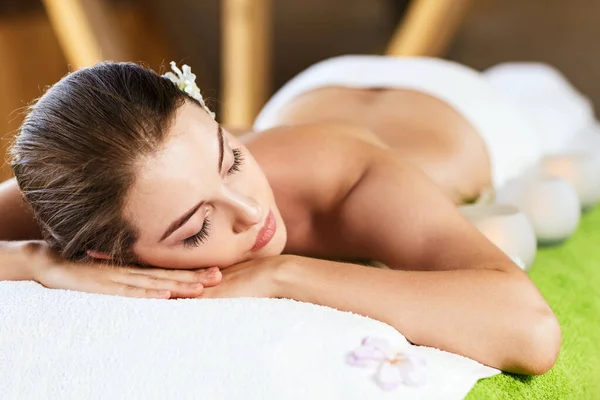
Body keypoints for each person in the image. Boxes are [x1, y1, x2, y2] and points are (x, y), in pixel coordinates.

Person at [0, 57, 570, 376]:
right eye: (197, 227)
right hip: (314, 92)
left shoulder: (349, 179)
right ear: (104, 252)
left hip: (463, 105)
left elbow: (531, 331)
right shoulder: (110, 176)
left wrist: (284, 274)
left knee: (548, 101)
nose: (251, 211)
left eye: (233, 160)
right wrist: (39, 263)